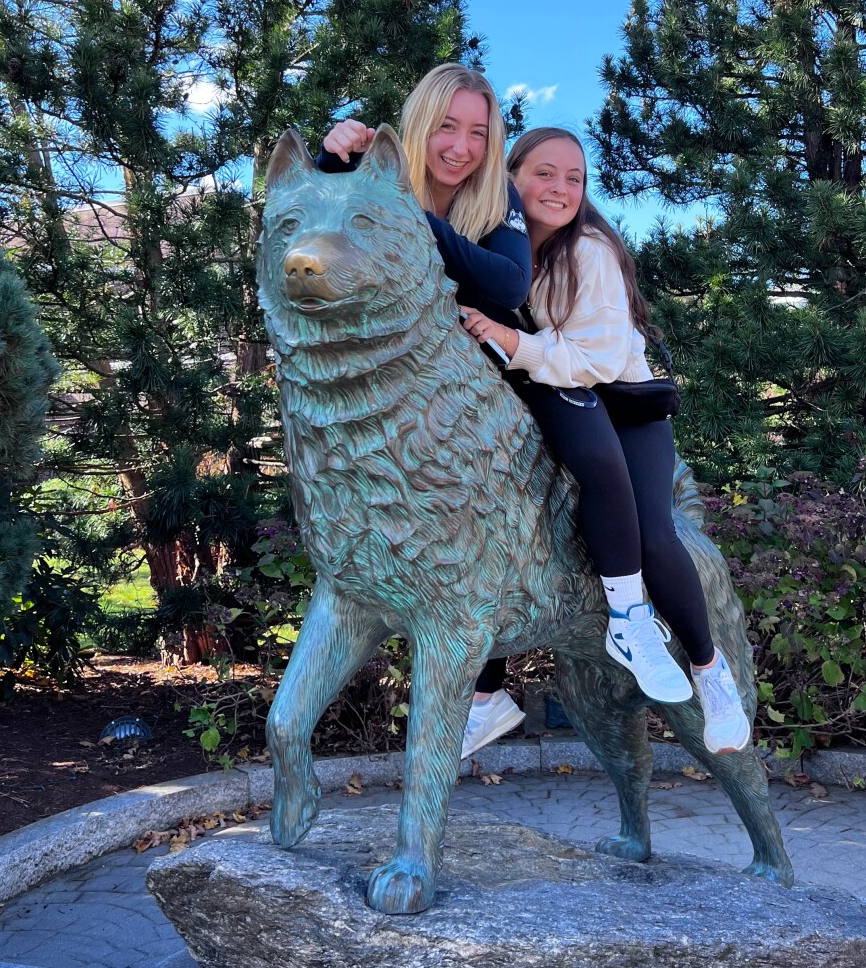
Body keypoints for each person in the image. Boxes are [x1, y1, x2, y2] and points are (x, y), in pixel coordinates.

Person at [460, 126, 751, 758]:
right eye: (544, 173)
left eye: (574, 178)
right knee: (506, 525)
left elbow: (599, 360)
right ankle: (485, 697)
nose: (560, 188)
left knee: (651, 533)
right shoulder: (496, 245)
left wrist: (512, 342)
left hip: (623, 406)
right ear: (510, 178)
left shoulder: (588, 250)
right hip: (554, 397)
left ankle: (709, 670)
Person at [317, 64, 533, 755]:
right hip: (386, 389)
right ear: (419, 123)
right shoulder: (374, 173)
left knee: (485, 501)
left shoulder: (495, 194)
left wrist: (411, 217)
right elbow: (318, 234)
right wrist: (331, 159)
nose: (461, 148)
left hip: (476, 384)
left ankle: (485, 691)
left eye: (478, 133)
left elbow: (509, 282)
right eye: (446, 127)